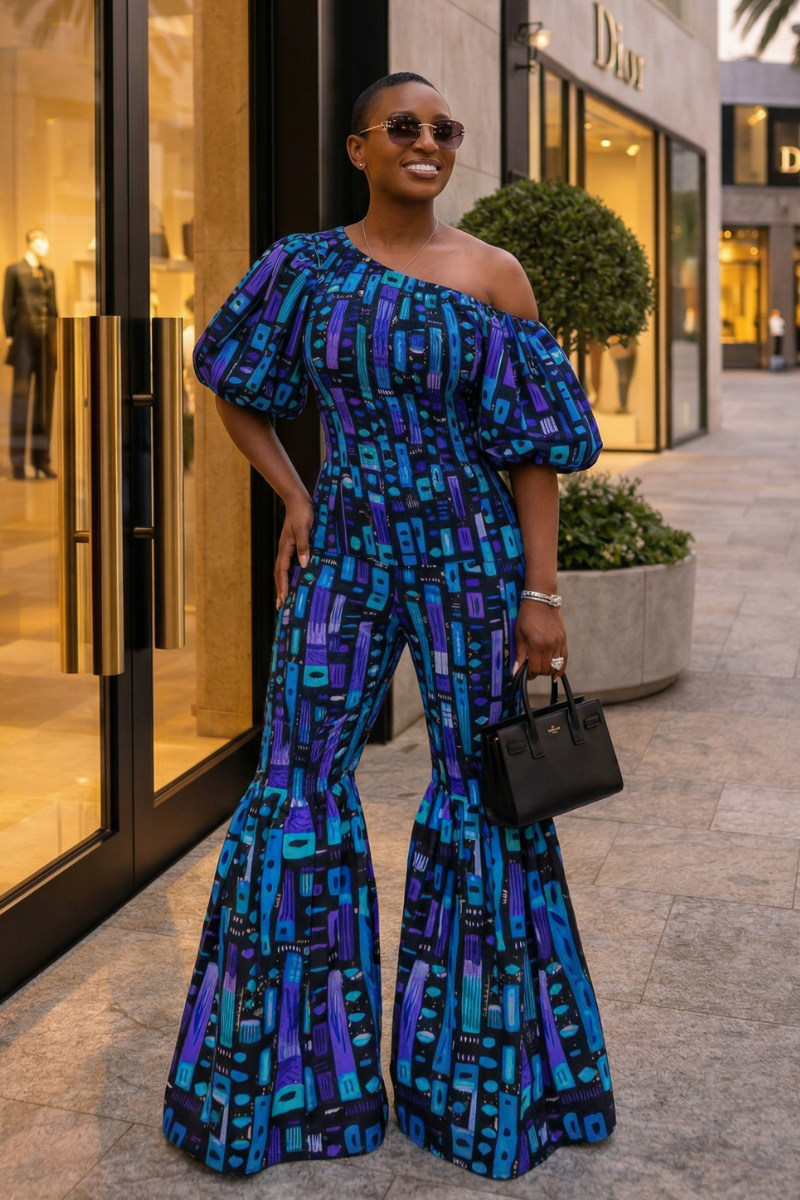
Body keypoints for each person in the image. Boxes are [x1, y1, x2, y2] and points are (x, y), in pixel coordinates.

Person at [163, 72, 615, 1180]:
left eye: (444, 130)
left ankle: (485, 1094)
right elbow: (229, 379)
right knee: (297, 784)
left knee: (481, 791)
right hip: (347, 552)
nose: (427, 142)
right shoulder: (302, 269)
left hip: (471, 556)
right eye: (403, 127)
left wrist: (541, 596)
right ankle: (281, 1090)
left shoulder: (493, 275)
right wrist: (298, 498)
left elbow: (532, 451)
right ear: (357, 147)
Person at [3, 230, 58, 480]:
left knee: (45, 401)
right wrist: (10, 335)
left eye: (47, 240)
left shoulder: (49, 274)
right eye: (41, 240)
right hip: (24, 340)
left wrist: (57, 338)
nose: (45, 244)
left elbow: (55, 309)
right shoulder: (15, 271)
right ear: (30, 242)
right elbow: (8, 304)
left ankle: (41, 460)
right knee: (21, 401)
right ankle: (17, 462)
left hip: (46, 340)